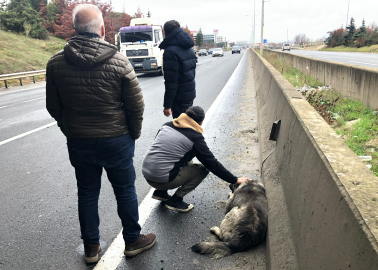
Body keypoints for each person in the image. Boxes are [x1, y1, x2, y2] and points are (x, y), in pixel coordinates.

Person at [46, 4, 155, 263]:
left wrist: (70, 128)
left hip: (79, 141)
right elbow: (136, 105)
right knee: (125, 190)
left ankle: (91, 248)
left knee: (86, 193)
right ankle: (132, 240)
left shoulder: (56, 63)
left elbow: (53, 106)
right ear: (103, 29)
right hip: (116, 139)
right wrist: (133, 134)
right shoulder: (119, 61)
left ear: (74, 29)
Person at [142, 106, 250, 212]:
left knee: (177, 156)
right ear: (201, 122)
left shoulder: (167, 125)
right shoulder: (195, 138)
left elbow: (162, 150)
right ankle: (175, 200)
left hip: (147, 173)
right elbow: (211, 163)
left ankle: (160, 193)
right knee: (203, 169)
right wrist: (234, 180)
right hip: (161, 178)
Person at [159, 20, 196, 119]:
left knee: (181, 128)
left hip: (179, 98)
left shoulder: (170, 52)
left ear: (165, 33)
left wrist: (167, 105)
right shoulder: (189, 48)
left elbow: (172, 81)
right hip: (189, 94)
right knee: (188, 124)